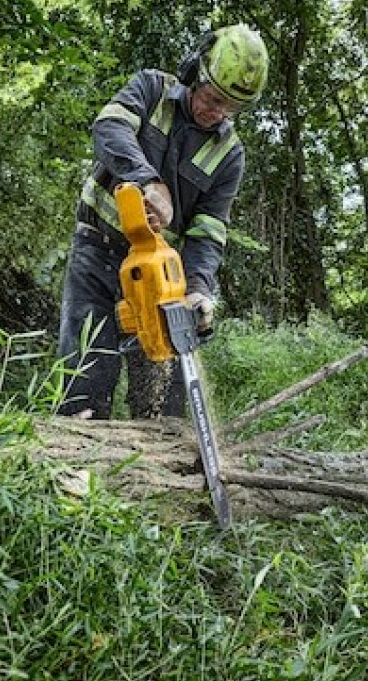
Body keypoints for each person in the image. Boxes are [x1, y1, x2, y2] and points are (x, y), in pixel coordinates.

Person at [56, 23, 269, 420]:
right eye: (212, 98)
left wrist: (199, 289)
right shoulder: (151, 89)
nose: (216, 112)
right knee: (84, 379)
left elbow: (208, 230)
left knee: (164, 399)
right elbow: (109, 127)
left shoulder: (230, 154)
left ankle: (157, 468)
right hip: (97, 252)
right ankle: (78, 461)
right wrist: (147, 180)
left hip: (156, 276)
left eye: (229, 106)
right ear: (195, 72)